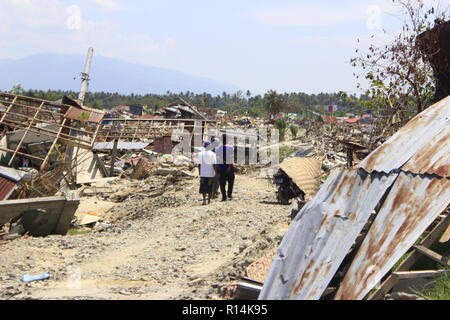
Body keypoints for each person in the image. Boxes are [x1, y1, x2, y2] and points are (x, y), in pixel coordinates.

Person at [215, 134, 235, 202]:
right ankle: (229, 194)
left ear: (220, 140)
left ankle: (224, 196)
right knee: (230, 182)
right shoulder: (230, 147)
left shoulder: (217, 149)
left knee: (222, 183)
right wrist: (229, 166)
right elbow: (231, 157)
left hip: (221, 168)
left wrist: (217, 170)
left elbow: (217, 159)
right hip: (229, 167)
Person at [197, 141, 217, 205]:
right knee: (210, 187)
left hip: (203, 173)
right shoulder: (213, 154)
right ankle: (208, 200)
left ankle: (204, 200)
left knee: (203, 187)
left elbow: (199, 164)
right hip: (210, 173)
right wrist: (216, 172)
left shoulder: (200, 154)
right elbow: (214, 164)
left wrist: (199, 172)